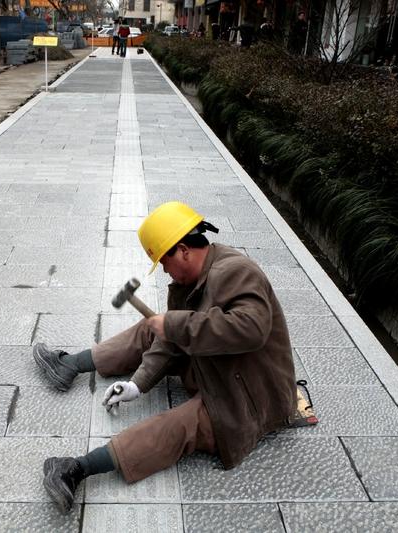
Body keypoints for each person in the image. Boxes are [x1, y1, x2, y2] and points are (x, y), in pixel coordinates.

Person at [35, 202, 298, 514]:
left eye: (164, 261)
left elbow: (252, 328)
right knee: (153, 327)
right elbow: (169, 339)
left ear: (184, 250)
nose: (164, 270)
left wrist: (173, 324)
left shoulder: (236, 272)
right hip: (215, 363)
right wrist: (138, 384)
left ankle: (76, 469)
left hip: (247, 393)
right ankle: (68, 365)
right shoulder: (190, 281)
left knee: (180, 424)